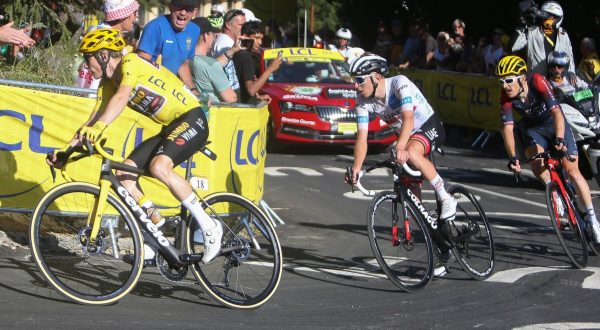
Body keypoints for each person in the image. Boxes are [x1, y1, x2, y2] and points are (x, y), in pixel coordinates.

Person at [48, 29, 223, 263]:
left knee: (160, 166)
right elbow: (91, 121)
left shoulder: (130, 62)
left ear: (102, 55)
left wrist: (99, 128)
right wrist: (65, 151)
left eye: (87, 57)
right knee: (124, 174)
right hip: (171, 126)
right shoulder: (107, 84)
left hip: (193, 118)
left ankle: (210, 227)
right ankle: (154, 232)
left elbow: (123, 95)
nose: (85, 65)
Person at [344, 55, 458, 270]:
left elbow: (408, 119)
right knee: (414, 203)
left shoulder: (400, 83)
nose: (355, 85)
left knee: (412, 152)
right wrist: (357, 169)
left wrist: (401, 146)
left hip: (428, 127)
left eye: (359, 80)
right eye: (354, 80)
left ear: (377, 77)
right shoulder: (362, 100)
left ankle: (446, 197)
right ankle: (441, 247)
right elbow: (362, 137)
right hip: (407, 137)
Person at [496, 55, 600, 243]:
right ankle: (556, 195)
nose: (505, 85)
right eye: (501, 81)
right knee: (536, 165)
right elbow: (508, 128)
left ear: (521, 78)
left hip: (555, 123)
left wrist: (560, 138)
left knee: (572, 171)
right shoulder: (505, 96)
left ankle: (593, 219)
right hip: (535, 130)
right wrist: (513, 157)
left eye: (508, 80)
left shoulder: (538, 81)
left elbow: (557, 113)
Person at [136, 0, 199, 95]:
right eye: (179, 6)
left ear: (194, 12)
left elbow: (183, 65)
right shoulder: (155, 26)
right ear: (170, 7)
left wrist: (193, 91)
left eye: (188, 9)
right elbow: (141, 63)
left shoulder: (195, 30)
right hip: (149, 88)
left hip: (171, 88)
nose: (183, 13)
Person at [76, 0, 140, 90]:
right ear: (123, 16)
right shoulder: (110, 42)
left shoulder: (98, 33)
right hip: (95, 97)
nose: (137, 15)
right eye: (134, 12)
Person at [511, 1, 575, 78]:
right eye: (547, 15)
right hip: (536, 81)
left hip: (558, 80)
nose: (548, 19)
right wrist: (523, 25)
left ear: (558, 18)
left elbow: (569, 55)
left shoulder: (562, 34)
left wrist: (571, 72)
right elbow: (514, 47)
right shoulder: (532, 31)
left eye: (553, 17)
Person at [190, 17, 238, 104]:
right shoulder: (210, 64)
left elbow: (211, 66)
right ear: (206, 35)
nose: (215, 36)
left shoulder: (184, 59)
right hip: (211, 113)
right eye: (213, 33)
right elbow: (231, 98)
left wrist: (234, 49)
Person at [233, 20, 282, 104]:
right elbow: (251, 90)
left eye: (261, 39)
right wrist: (270, 69)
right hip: (245, 109)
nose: (260, 42)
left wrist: (258, 97)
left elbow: (242, 86)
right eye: (257, 38)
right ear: (245, 37)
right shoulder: (246, 57)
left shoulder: (238, 53)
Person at [210, 9, 247, 93]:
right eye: (241, 25)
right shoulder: (225, 43)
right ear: (228, 25)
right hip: (228, 97)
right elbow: (228, 76)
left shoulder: (230, 42)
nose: (245, 28)